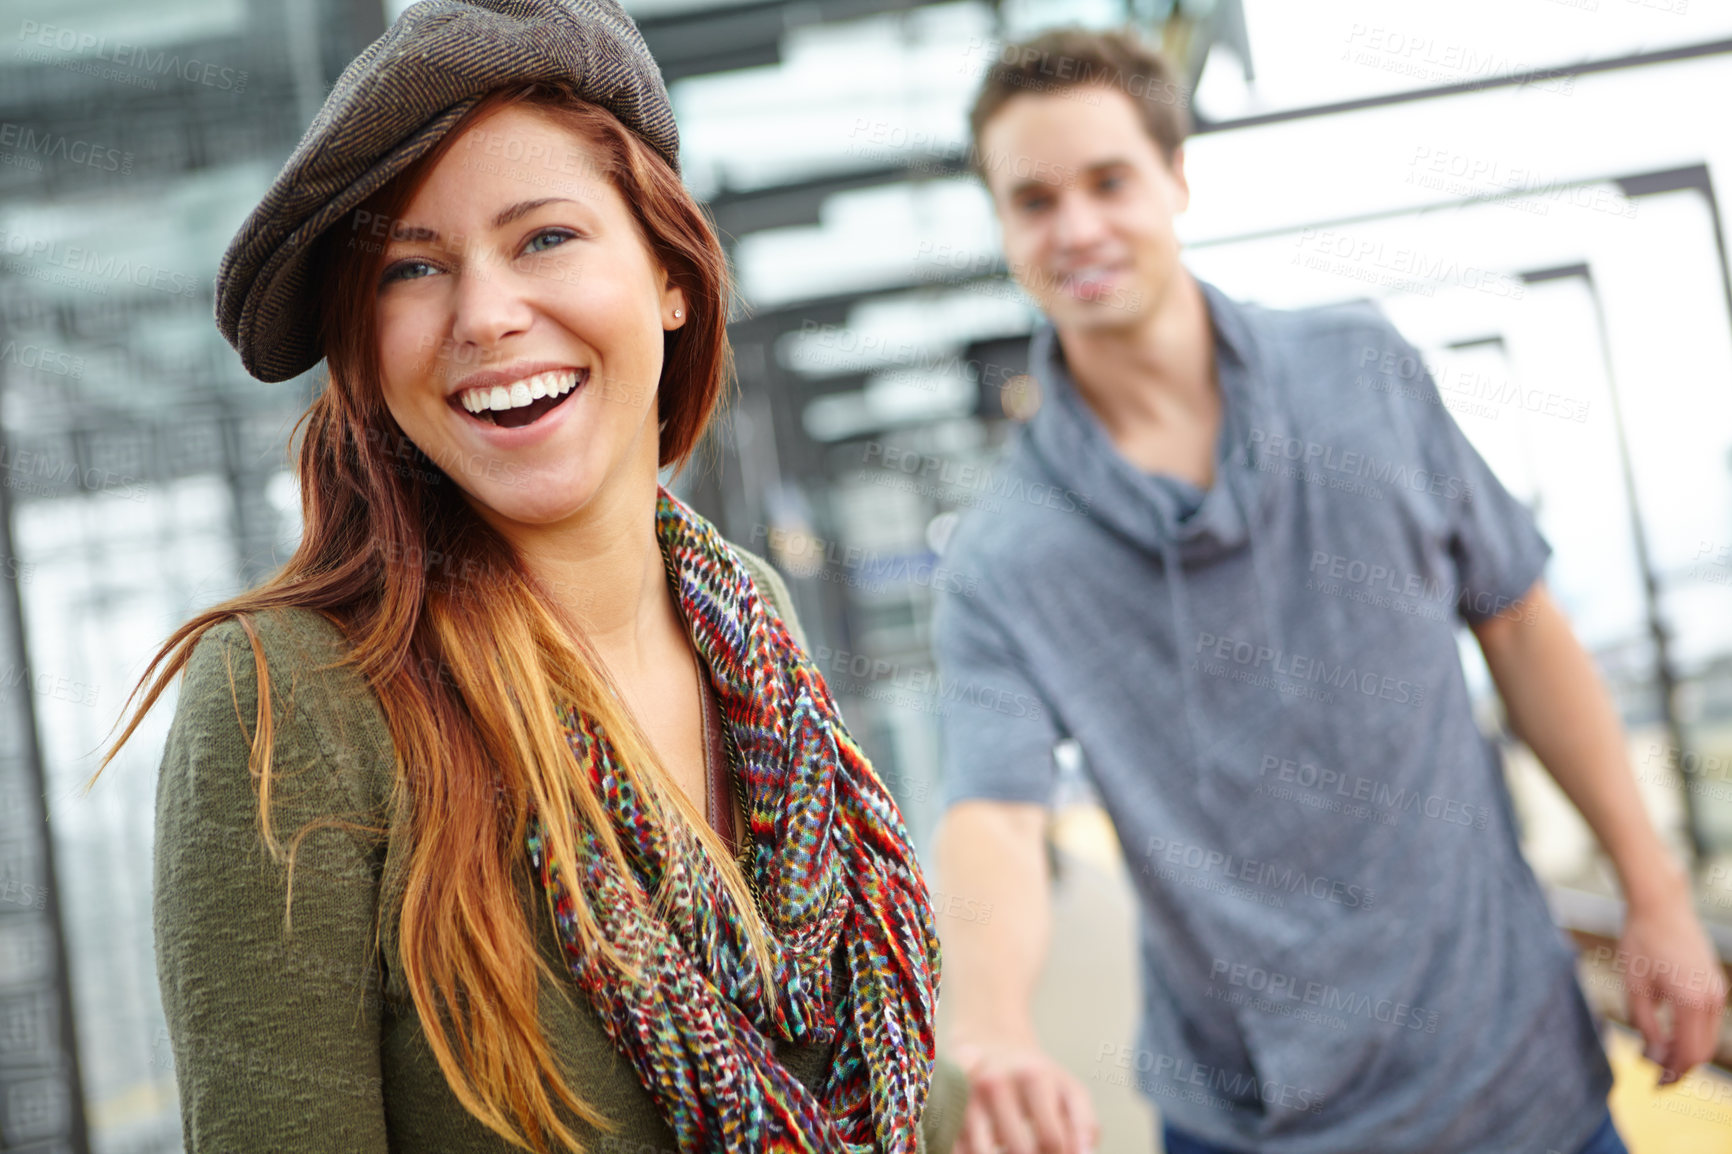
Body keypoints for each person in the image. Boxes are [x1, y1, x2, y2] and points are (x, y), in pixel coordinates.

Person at [92, 1, 965, 1150]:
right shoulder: (288, 697)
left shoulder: (747, 610)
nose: (487, 315)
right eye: (414, 267)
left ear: (670, 275)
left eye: (545, 237)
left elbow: (821, 1059)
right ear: (364, 348)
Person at [930, 25, 1725, 1154]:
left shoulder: (1362, 372)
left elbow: (1518, 621)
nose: (1078, 228)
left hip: (1521, 1078)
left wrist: (1653, 893)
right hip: (1255, 1125)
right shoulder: (1003, 558)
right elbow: (996, 815)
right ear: (1006, 228)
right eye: (1034, 200)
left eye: (1108, 180)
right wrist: (996, 1024)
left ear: (1175, 177)